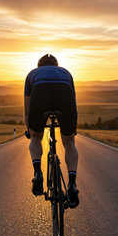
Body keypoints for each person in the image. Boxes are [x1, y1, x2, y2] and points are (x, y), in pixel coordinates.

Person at [24, 54, 79, 207]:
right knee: (69, 141)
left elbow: (27, 107)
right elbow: (73, 101)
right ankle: (72, 184)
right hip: (64, 94)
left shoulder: (32, 74)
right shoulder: (66, 72)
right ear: (56, 65)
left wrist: (30, 129)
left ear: (39, 66)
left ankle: (37, 173)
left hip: (39, 94)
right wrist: (73, 127)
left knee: (36, 137)